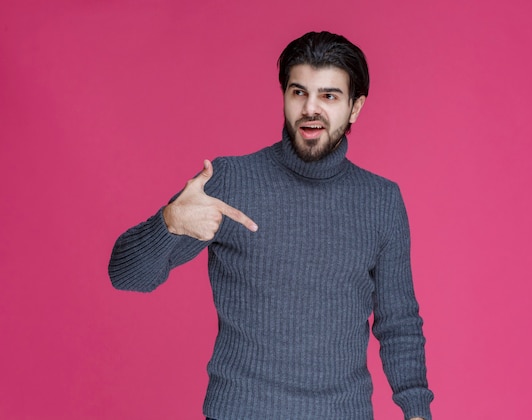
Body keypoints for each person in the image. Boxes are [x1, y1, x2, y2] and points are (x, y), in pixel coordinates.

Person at [109, 31, 433, 420]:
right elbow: (126, 276)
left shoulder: (381, 200)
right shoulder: (229, 181)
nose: (310, 109)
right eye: (299, 93)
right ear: (284, 96)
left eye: (329, 96)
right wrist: (169, 222)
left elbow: (399, 323)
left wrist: (416, 411)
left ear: (355, 107)